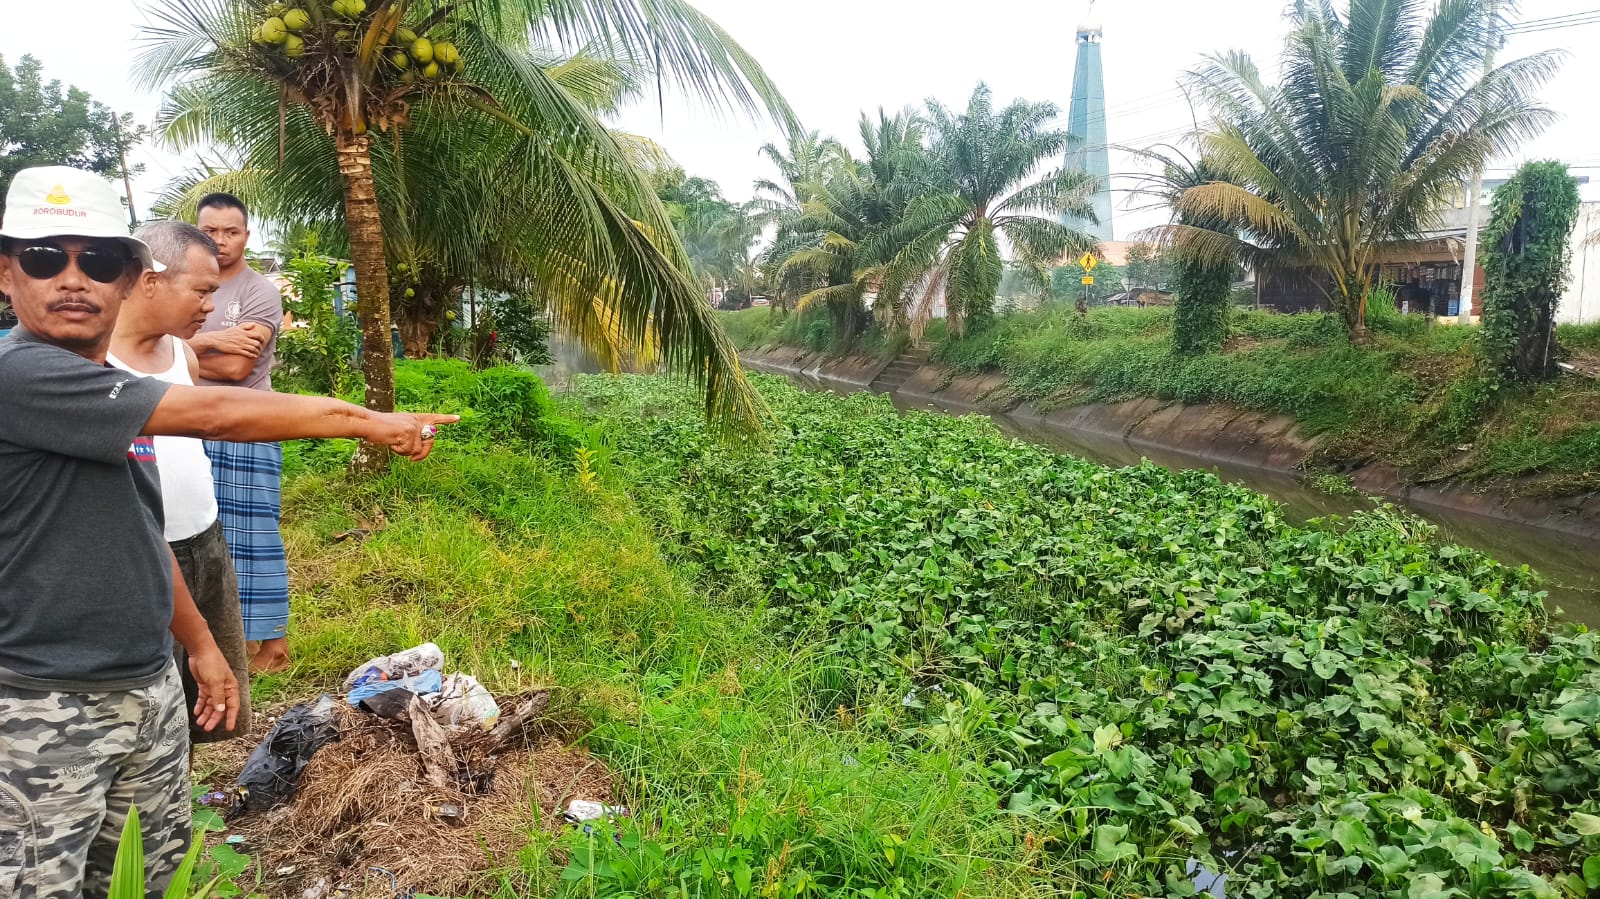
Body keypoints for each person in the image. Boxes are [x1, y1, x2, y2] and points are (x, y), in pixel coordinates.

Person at [0, 165, 454, 898]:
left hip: (143, 684)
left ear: (127, 276)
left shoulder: (116, 395)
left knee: (150, 878)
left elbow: (144, 531)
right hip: (45, 703)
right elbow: (221, 414)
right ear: (6, 272)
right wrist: (365, 420)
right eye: (47, 257)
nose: (73, 279)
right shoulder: (21, 376)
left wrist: (202, 646)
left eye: (99, 259)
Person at [108, 220, 254, 746]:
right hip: (144, 556)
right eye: (201, 291)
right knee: (152, 711)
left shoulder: (182, 355)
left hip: (204, 540)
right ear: (150, 281)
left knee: (209, 698)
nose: (209, 306)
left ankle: (185, 808)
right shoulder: (96, 365)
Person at [188, 193, 293, 672]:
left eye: (231, 232)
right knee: (205, 529)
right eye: (210, 231)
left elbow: (236, 367)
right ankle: (223, 638)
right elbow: (148, 345)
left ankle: (273, 642)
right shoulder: (189, 288)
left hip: (249, 424)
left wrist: (181, 352)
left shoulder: (259, 292)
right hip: (193, 424)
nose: (221, 240)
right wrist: (206, 341)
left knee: (254, 533)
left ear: (246, 236)